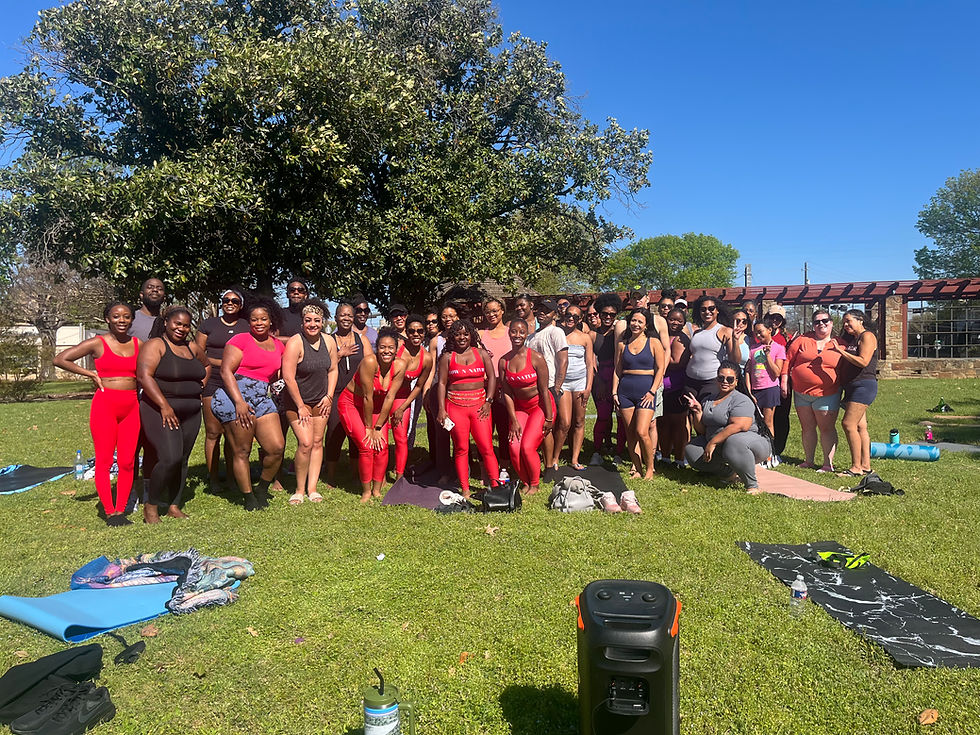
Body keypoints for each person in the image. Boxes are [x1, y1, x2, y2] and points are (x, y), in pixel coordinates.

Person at [54, 301, 141, 526]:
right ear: (107, 319)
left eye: (126, 316)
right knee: (103, 460)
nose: (121, 320)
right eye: (116, 316)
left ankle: (121, 509)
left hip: (131, 406)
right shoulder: (97, 343)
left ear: (132, 319)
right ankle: (109, 511)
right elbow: (60, 359)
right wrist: (90, 373)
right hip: (105, 406)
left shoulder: (139, 343)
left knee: (127, 461)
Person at [210, 296, 286, 510]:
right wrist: (239, 403)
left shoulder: (278, 345)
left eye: (263, 319)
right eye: (254, 320)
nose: (259, 323)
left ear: (271, 321)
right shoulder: (240, 340)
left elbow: (276, 374)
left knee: (276, 447)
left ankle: (262, 488)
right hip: (235, 396)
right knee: (242, 450)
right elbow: (226, 371)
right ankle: (249, 497)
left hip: (262, 397)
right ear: (249, 322)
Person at [136, 306, 209, 523]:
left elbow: (206, 366)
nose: (182, 328)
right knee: (170, 457)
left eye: (186, 325)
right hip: (160, 410)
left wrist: (201, 387)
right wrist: (164, 406)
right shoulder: (156, 345)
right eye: (177, 323)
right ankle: (151, 506)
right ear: (166, 322)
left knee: (183, 460)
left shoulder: (192, 348)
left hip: (192, 411)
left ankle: (174, 505)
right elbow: (144, 376)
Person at [337, 329, 406, 502]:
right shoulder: (369, 362)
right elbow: (367, 396)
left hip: (377, 406)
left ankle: (377, 490)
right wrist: (369, 428)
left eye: (391, 348)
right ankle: (366, 491)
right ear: (377, 349)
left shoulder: (400, 365)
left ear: (396, 349)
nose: (387, 351)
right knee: (367, 446)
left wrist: (378, 427)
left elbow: (390, 397)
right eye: (382, 347)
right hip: (352, 403)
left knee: (381, 446)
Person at [281, 299, 339, 504]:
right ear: (302, 322)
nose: (312, 324)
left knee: (316, 442)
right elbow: (288, 377)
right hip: (298, 402)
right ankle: (298, 489)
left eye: (316, 320)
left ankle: (312, 488)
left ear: (322, 322)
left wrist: (329, 396)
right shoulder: (295, 342)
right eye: (308, 320)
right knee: (305, 443)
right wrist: (300, 405)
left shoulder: (329, 341)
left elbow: (333, 370)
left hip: (321, 400)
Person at [683, 361, 772, 494]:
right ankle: (729, 473)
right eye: (721, 378)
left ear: (736, 381)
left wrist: (713, 442)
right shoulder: (708, 400)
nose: (725, 381)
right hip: (723, 444)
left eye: (730, 379)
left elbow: (741, 425)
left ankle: (751, 485)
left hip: (753, 444)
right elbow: (702, 431)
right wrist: (698, 412)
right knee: (692, 449)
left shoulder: (741, 400)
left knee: (735, 442)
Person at [436, 320, 501, 497]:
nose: (462, 338)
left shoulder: (481, 354)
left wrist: (489, 401)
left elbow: (492, 378)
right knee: (461, 448)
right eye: (458, 334)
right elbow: (441, 383)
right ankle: (465, 489)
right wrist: (442, 409)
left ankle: (495, 487)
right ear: (452, 337)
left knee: (486, 447)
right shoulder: (447, 357)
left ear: (471, 335)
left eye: (465, 334)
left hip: (480, 406)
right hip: (455, 407)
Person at [196, 289, 250, 491]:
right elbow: (198, 353)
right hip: (213, 380)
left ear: (240, 305)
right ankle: (213, 479)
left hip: (237, 382)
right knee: (213, 432)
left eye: (235, 301)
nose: (230, 303)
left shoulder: (246, 326)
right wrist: (222, 363)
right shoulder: (209, 324)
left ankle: (231, 476)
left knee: (233, 432)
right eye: (226, 300)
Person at [499, 319, 554, 494]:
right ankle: (525, 481)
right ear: (509, 333)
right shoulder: (503, 362)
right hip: (520, 408)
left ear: (527, 333)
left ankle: (535, 484)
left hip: (540, 406)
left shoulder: (536, 358)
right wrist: (513, 419)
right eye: (514, 331)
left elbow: (544, 391)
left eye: (521, 332)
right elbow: (506, 393)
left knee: (527, 446)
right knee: (514, 447)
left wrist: (549, 417)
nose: (517, 335)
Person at [785, 309, 844, 472]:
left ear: (831, 323)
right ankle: (808, 460)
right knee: (807, 427)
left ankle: (827, 463)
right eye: (817, 322)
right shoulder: (802, 339)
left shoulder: (840, 343)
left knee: (826, 428)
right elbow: (788, 360)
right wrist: (784, 380)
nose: (821, 324)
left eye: (825, 320)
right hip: (801, 392)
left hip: (827, 393)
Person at [323, 301, 374, 487]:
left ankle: (355, 474)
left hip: (357, 394)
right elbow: (324, 366)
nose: (346, 318)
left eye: (349, 315)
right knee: (334, 434)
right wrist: (340, 354)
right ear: (336, 318)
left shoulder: (362, 339)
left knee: (356, 434)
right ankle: (330, 476)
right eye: (342, 315)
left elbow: (371, 364)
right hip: (336, 393)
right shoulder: (328, 339)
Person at [613, 308, 665, 479]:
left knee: (642, 431)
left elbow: (660, 369)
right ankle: (637, 468)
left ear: (646, 325)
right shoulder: (622, 344)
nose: (635, 324)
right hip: (625, 391)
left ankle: (650, 468)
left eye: (640, 321)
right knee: (631, 434)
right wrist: (614, 393)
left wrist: (653, 390)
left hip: (646, 391)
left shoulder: (654, 342)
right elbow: (617, 370)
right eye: (633, 320)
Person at [832, 309, 879, 477]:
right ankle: (865, 466)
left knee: (848, 424)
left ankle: (855, 467)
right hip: (852, 386)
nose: (845, 325)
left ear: (860, 320)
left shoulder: (867, 336)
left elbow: (863, 361)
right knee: (860, 426)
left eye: (848, 321)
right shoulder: (853, 339)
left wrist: (841, 352)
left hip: (863, 385)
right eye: (844, 322)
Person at [526, 299, 568, 477]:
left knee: (547, 427)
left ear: (555, 315)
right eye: (540, 309)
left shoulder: (556, 331)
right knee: (537, 426)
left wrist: (557, 387)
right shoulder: (530, 337)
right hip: (533, 387)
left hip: (550, 385)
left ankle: (549, 465)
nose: (542, 313)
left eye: (548, 310)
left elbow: (563, 360)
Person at [391, 315, 434, 480]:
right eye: (412, 331)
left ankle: (399, 477)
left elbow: (418, 386)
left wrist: (402, 407)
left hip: (401, 397)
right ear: (406, 332)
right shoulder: (396, 349)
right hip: (383, 395)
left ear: (424, 333)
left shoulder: (427, 358)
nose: (416, 334)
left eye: (420, 331)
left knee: (401, 437)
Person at [553, 305, 595, 469]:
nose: (571, 319)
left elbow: (590, 364)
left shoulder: (585, 338)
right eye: (569, 315)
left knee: (579, 421)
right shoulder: (557, 334)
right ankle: (555, 457)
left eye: (575, 317)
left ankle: (575, 459)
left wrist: (588, 387)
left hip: (580, 382)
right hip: (563, 383)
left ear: (580, 319)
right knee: (564, 422)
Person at [423, 303, 459, 481]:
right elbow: (431, 369)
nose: (448, 319)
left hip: (459, 391)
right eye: (444, 316)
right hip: (439, 389)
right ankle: (444, 471)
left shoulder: (465, 337)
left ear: (457, 317)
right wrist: (427, 392)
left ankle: (462, 469)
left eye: (451, 315)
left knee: (460, 433)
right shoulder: (436, 341)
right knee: (442, 432)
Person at [590, 293, 623, 463]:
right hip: (601, 378)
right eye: (604, 314)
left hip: (619, 377)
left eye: (612, 314)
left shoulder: (620, 333)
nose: (608, 317)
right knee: (603, 416)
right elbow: (590, 361)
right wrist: (599, 382)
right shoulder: (593, 335)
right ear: (599, 314)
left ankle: (618, 452)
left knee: (621, 417)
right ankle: (597, 451)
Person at [657, 307, 692, 467]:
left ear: (684, 323)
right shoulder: (661, 336)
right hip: (661, 388)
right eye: (672, 319)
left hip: (677, 388)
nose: (675, 323)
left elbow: (678, 362)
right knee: (663, 423)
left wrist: (657, 359)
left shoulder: (681, 339)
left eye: (679, 320)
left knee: (678, 423)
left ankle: (679, 458)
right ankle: (664, 456)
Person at [479, 298, 512, 456]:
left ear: (502, 311)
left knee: (504, 428)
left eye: (495, 311)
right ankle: (485, 466)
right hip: (485, 388)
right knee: (484, 429)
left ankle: (505, 465)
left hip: (506, 388)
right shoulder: (480, 335)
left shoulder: (510, 332)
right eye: (487, 312)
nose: (491, 314)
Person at [747, 316, 786, 443]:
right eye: (756, 332)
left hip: (770, 388)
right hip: (755, 390)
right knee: (755, 422)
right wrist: (749, 390)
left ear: (769, 330)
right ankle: (758, 449)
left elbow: (776, 372)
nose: (758, 335)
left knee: (768, 422)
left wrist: (768, 355)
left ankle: (770, 452)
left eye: (761, 331)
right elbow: (748, 370)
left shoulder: (779, 348)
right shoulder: (753, 349)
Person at [685, 296, 733, 399]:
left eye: (711, 308)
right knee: (690, 414)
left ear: (717, 310)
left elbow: (734, 359)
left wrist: (736, 341)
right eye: (703, 309)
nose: (707, 312)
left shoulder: (725, 331)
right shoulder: (697, 332)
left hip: (712, 381)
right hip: (690, 381)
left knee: (707, 413)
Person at [767, 304, 795, 466]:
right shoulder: (759, 335)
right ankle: (765, 448)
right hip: (763, 383)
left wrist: (785, 380)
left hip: (782, 382)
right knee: (765, 417)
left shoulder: (787, 339)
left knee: (781, 416)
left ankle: (778, 450)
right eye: (772, 317)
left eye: (778, 318)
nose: (775, 321)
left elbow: (788, 361)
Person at [727, 309, 752, 381]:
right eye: (737, 321)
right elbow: (734, 361)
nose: (741, 323)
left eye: (744, 321)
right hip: (727, 377)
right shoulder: (726, 337)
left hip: (743, 378)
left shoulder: (750, 340)